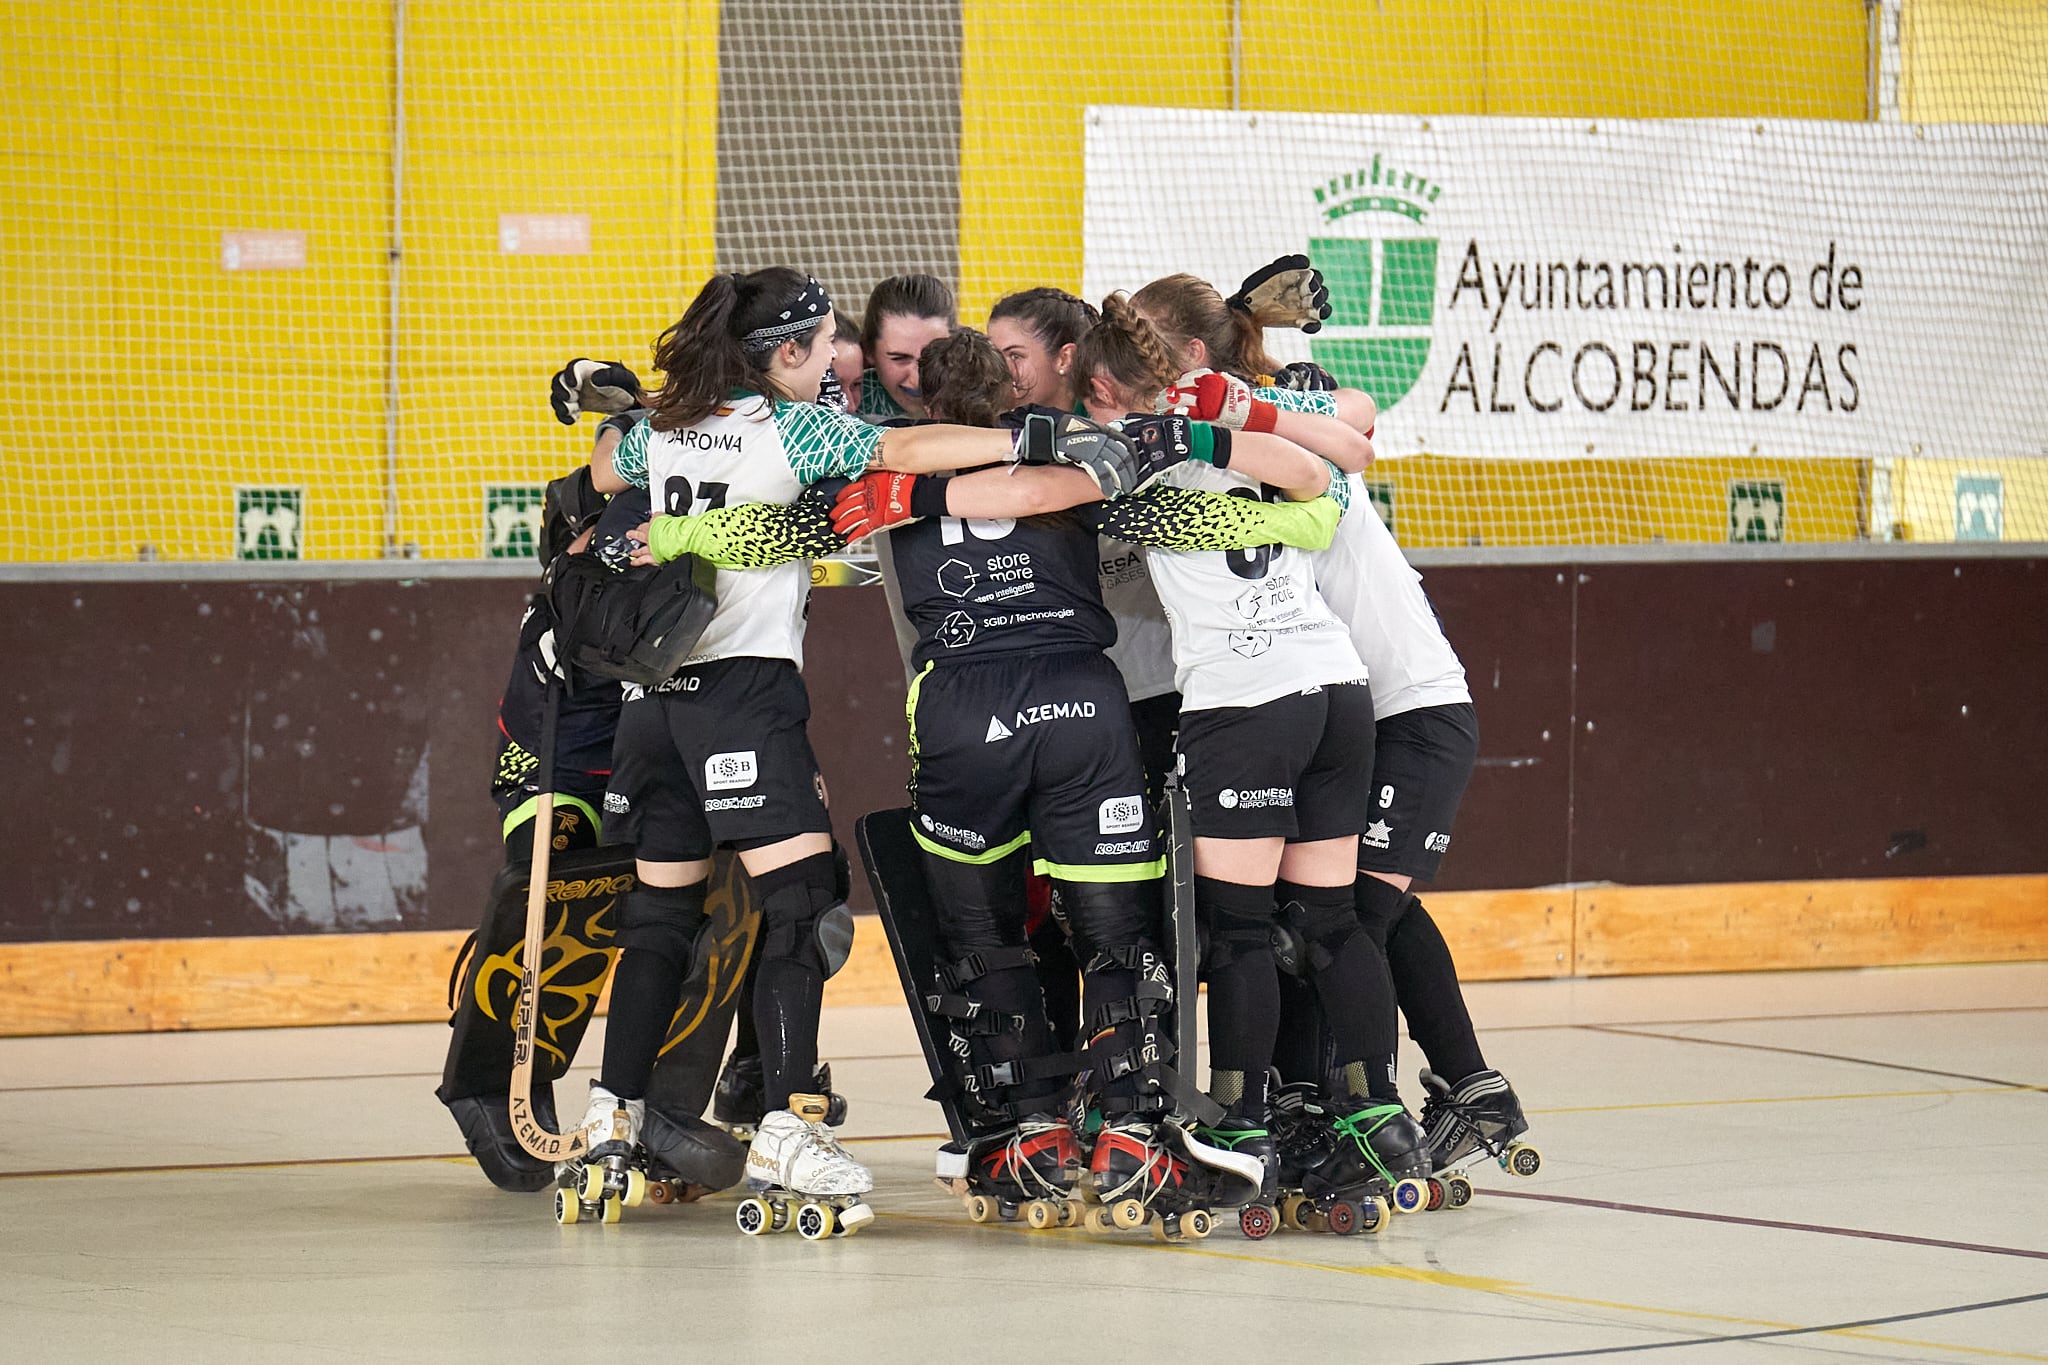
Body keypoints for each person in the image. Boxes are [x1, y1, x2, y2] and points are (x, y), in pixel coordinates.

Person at [584, 267, 1135, 1233]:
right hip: (738, 693)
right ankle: (788, 1122)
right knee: (797, 901)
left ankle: (608, 1119)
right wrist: (1030, 433)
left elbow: (603, 471)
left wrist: (628, 413)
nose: (837, 365)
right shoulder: (787, 426)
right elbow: (903, 447)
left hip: (649, 704)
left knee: (661, 916)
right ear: (787, 353)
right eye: (825, 348)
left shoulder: (664, 423)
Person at [1070, 295, 1433, 1224]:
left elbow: (1053, 481)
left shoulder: (1129, 467)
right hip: (1337, 693)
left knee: (1236, 931)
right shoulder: (1233, 430)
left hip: (1246, 702)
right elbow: (1327, 468)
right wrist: (1218, 425)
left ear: (1106, 391)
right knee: (1330, 921)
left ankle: (1240, 1125)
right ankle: (1375, 1111)